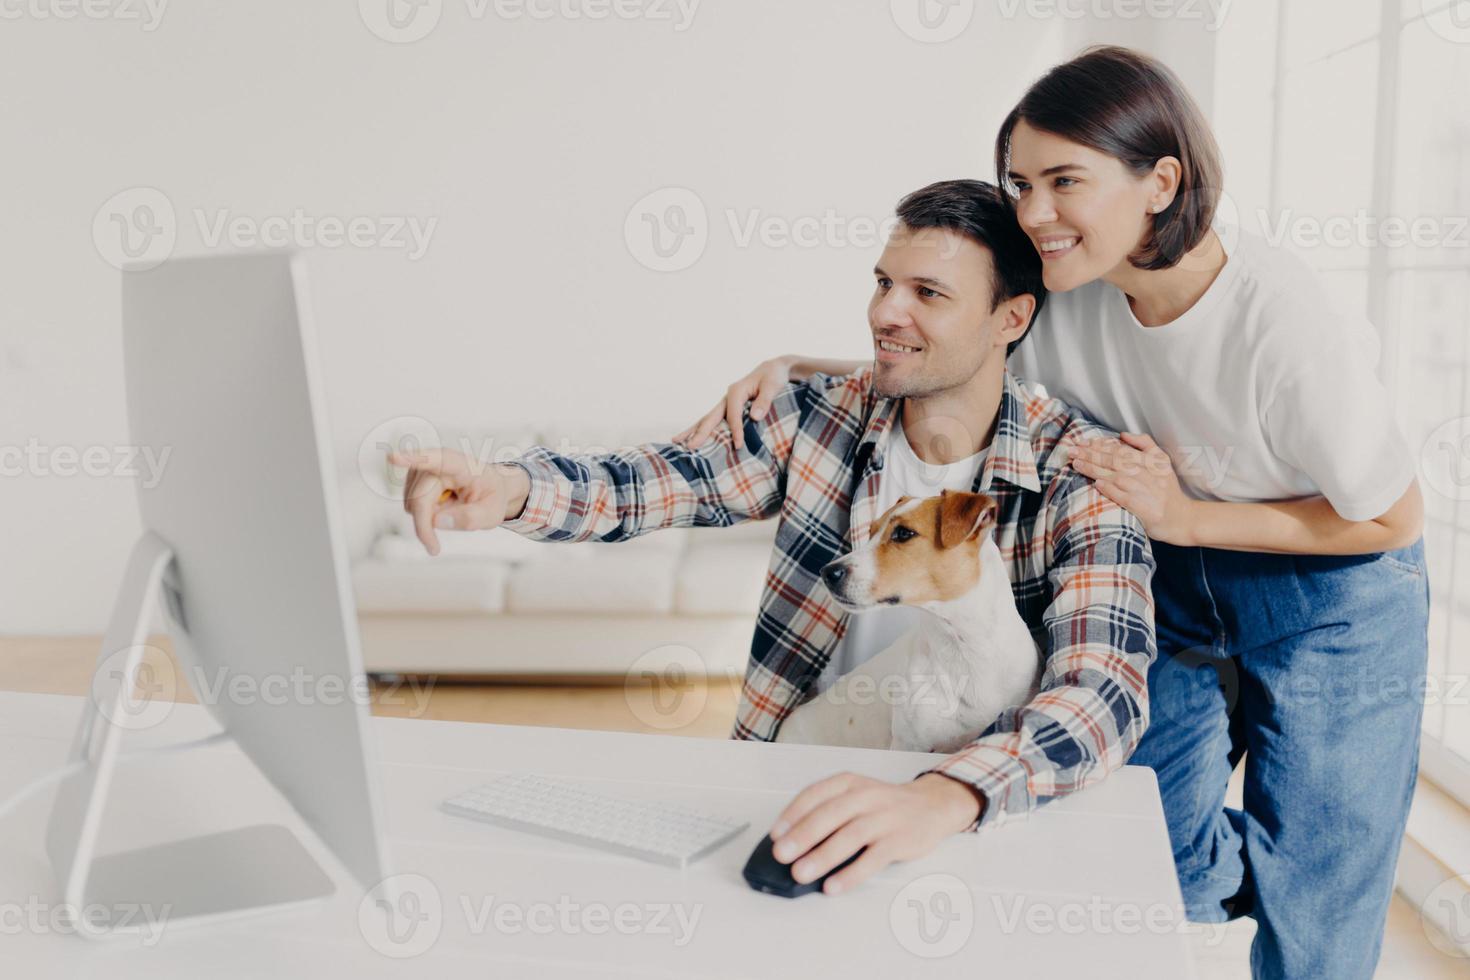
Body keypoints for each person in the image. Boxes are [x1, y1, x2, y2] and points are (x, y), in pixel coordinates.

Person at [675, 46, 1430, 980]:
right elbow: (963, 364)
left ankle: (1305, 881)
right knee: (1153, 852)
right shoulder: (1068, 299)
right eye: (1020, 183)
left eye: (1064, 181)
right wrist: (795, 367)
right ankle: (1277, 871)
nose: (1033, 214)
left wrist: (1189, 518)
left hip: (1333, 585)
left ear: (1161, 181)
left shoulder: (1283, 326)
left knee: (1317, 909)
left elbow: (1391, 519)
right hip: (1177, 580)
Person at [392, 179, 1157, 899]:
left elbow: (1104, 694)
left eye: (927, 293)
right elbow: (662, 480)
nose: (886, 312)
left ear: (1010, 320)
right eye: (883, 282)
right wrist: (512, 488)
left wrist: (950, 794)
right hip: (787, 782)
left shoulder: (1081, 476)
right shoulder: (814, 417)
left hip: (973, 812)